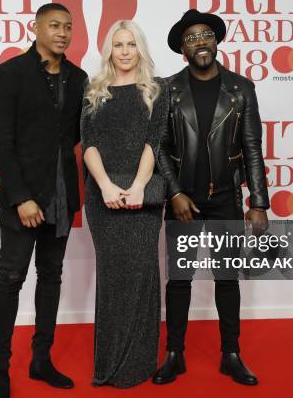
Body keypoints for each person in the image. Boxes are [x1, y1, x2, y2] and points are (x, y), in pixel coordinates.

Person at [154, 9, 270, 386]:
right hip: (183, 200)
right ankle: (175, 354)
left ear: (216, 41)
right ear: (181, 49)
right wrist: (174, 193)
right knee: (179, 280)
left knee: (226, 279)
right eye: (191, 38)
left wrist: (258, 202)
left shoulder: (241, 88)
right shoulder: (167, 90)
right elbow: (160, 147)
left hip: (225, 199)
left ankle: (231, 354)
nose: (200, 42)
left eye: (206, 35)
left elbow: (252, 147)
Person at [0, 3, 87, 398]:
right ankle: (0, 370)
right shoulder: (10, 74)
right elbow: (1, 141)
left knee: (51, 278)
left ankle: (41, 360)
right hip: (22, 201)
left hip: (63, 197)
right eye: (55, 25)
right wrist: (21, 197)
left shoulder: (79, 78)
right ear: (36, 28)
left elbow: (76, 135)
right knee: (10, 280)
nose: (63, 33)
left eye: (68, 27)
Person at [81, 20, 169, 388]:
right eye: (118, 44)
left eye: (131, 44)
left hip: (141, 194)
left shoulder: (157, 90)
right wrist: (104, 186)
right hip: (102, 196)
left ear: (140, 48)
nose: (125, 51)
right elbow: (89, 144)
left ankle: (137, 362)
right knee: (113, 278)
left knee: (141, 276)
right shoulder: (93, 90)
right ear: (109, 50)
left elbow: (155, 141)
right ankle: (109, 363)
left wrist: (136, 187)